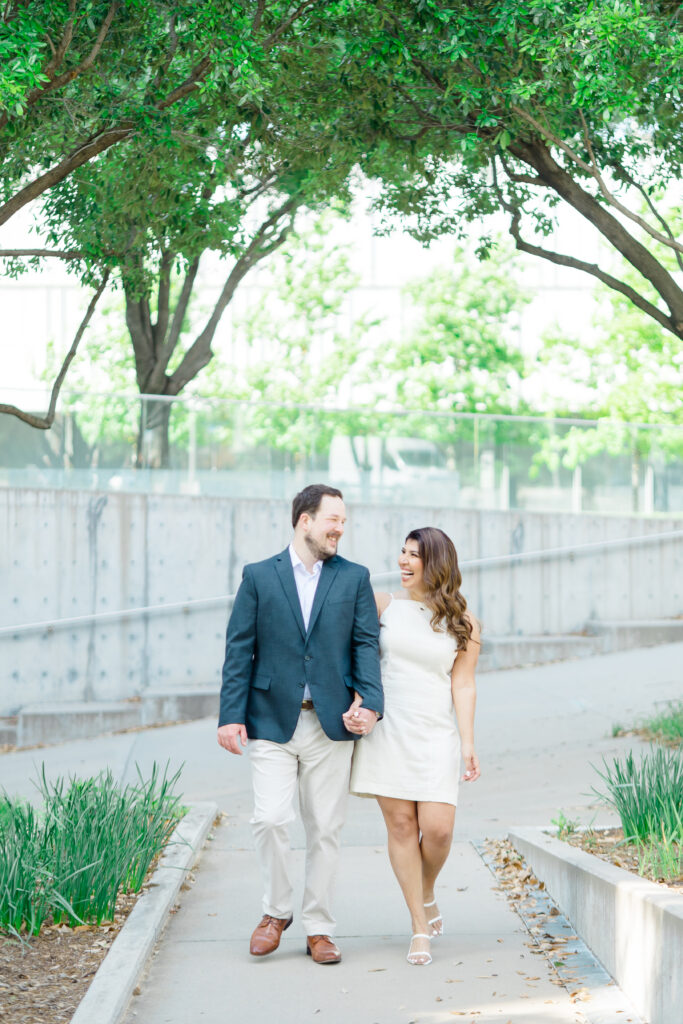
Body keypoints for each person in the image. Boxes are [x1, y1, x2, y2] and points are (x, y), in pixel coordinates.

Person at [217, 483, 383, 965]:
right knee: (269, 819)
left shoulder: (354, 578)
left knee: (325, 829)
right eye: (333, 519)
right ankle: (275, 912)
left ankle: (319, 927)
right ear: (304, 521)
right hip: (271, 720)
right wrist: (231, 715)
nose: (340, 528)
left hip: (332, 724)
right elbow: (238, 650)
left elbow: (365, 646)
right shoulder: (258, 576)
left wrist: (370, 703)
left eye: (344, 521)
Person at [346, 526, 481, 967]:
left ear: (436, 563)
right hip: (389, 730)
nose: (404, 561)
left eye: (414, 555)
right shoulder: (383, 605)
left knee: (439, 829)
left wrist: (467, 743)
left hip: (435, 732)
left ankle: (426, 889)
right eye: (402, 553)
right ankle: (419, 926)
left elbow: (462, 684)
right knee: (402, 827)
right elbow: (357, 656)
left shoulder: (465, 622)